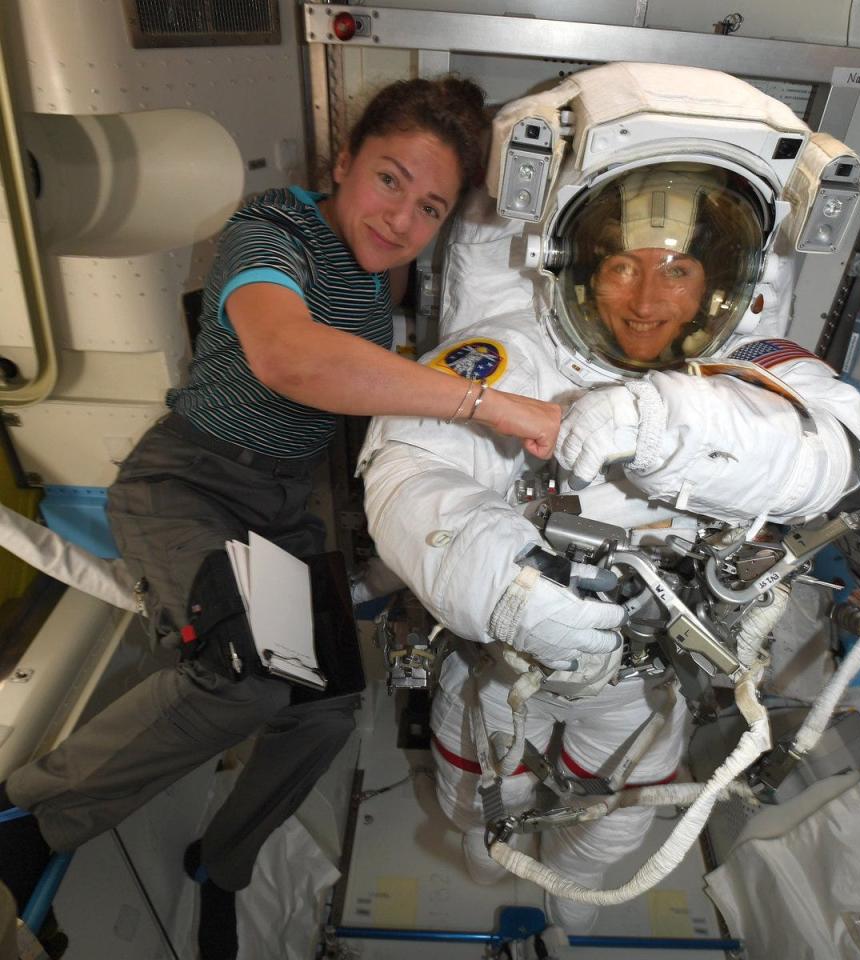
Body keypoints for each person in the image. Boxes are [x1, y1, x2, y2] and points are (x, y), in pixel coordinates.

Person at [0, 75, 560, 960]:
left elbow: (367, 385)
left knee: (326, 711)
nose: (400, 220)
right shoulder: (276, 225)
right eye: (388, 180)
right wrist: (489, 406)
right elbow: (288, 357)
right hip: (190, 482)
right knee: (245, 673)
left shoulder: (387, 275)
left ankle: (221, 865)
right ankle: (26, 817)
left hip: (285, 509)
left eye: (429, 207)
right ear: (342, 161)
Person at [358, 62, 860, 934]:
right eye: (622, 267)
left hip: (644, 684)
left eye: (676, 272)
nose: (645, 301)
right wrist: (508, 586)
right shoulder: (509, 352)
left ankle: (571, 909)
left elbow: (836, 453)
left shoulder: (754, 368)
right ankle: (490, 871)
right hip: (504, 656)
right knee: (476, 791)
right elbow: (405, 465)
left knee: (620, 816)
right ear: (578, 264)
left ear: (720, 279)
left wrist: (667, 418)